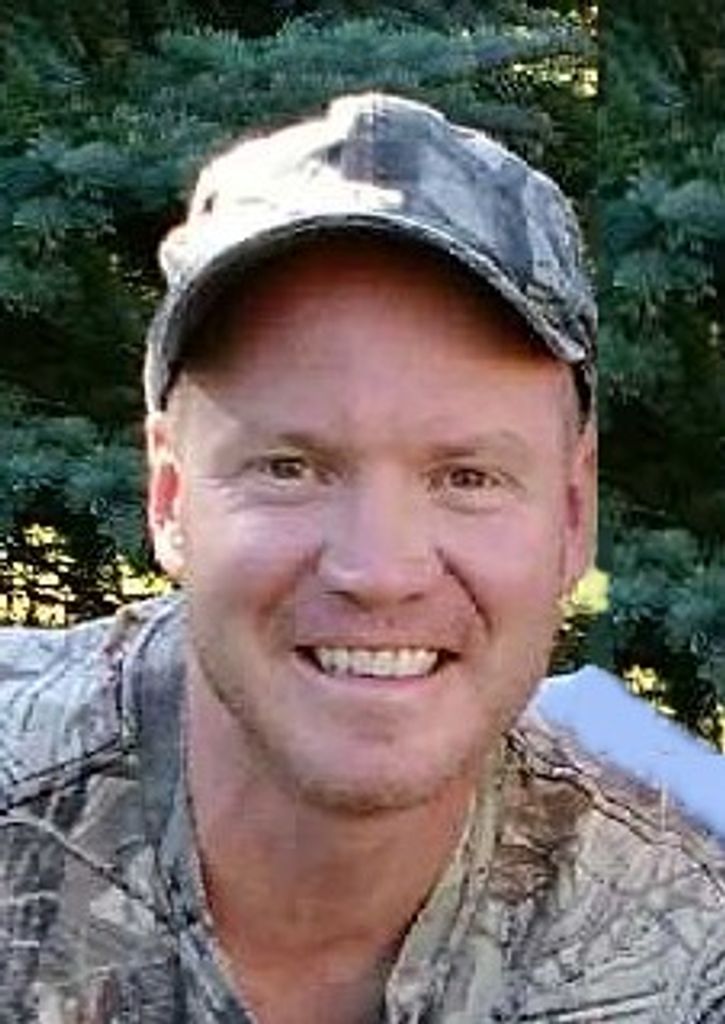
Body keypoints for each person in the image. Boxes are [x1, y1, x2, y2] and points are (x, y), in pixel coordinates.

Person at [0, 93, 722, 1024]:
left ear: (572, 517)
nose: (379, 572)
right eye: (289, 468)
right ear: (170, 498)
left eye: (466, 477)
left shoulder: (679, 932)